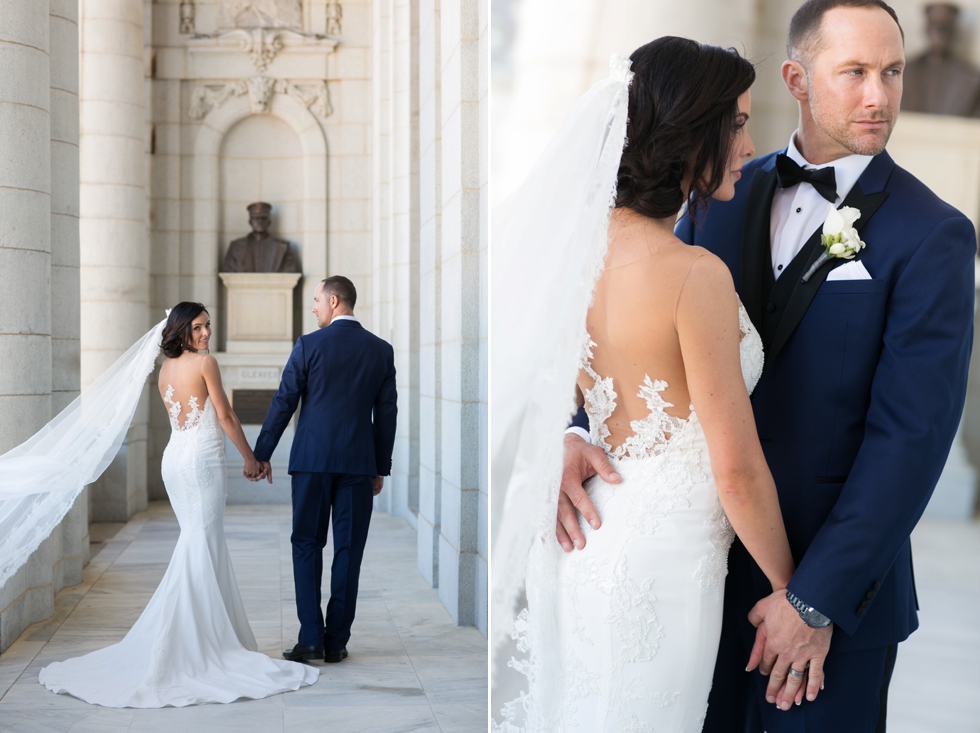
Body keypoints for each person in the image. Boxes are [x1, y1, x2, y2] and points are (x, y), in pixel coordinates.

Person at [557, 1, 976, 731]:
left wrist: (812, 598)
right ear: (799, 78)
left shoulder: (933, 234)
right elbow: (632, 316)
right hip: (694, 583)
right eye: (854, 72)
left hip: (833, 607)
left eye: (892, 72)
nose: (879, 95)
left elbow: (910, 441)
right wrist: (572, 425)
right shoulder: (714, 192)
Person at [492, 37, 804, 732]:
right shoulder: (693, 273)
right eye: (739, 123)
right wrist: (794, 589)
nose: (751, 143)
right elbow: (738, 469)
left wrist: (573, 435)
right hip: (664, 565)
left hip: (591, 541)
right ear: (693, 134)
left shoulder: (576, 256)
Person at [37, 302, 319, 707]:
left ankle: (205, 636)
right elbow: (224, 415)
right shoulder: (206, 363)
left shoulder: (165, 369)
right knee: (200, 543)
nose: (206, 333)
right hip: (201, 461)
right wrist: (251, 458)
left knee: (199, 542)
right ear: (183, 329)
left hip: (176, 459)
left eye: (208, 326)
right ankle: (187, 645)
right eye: (199, 327)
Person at [252, 276, 398, 665]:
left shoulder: (308, 345)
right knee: (349, 551)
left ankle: (310, 639)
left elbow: (284, 401)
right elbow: (386, 415)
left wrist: (261, 453)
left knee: (306, 545)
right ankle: (336, 641)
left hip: (312, 463)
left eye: (316, 300)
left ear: (334, 301)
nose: (313, 307)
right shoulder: (381, 351)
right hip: (357, 465)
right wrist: (379, 466)